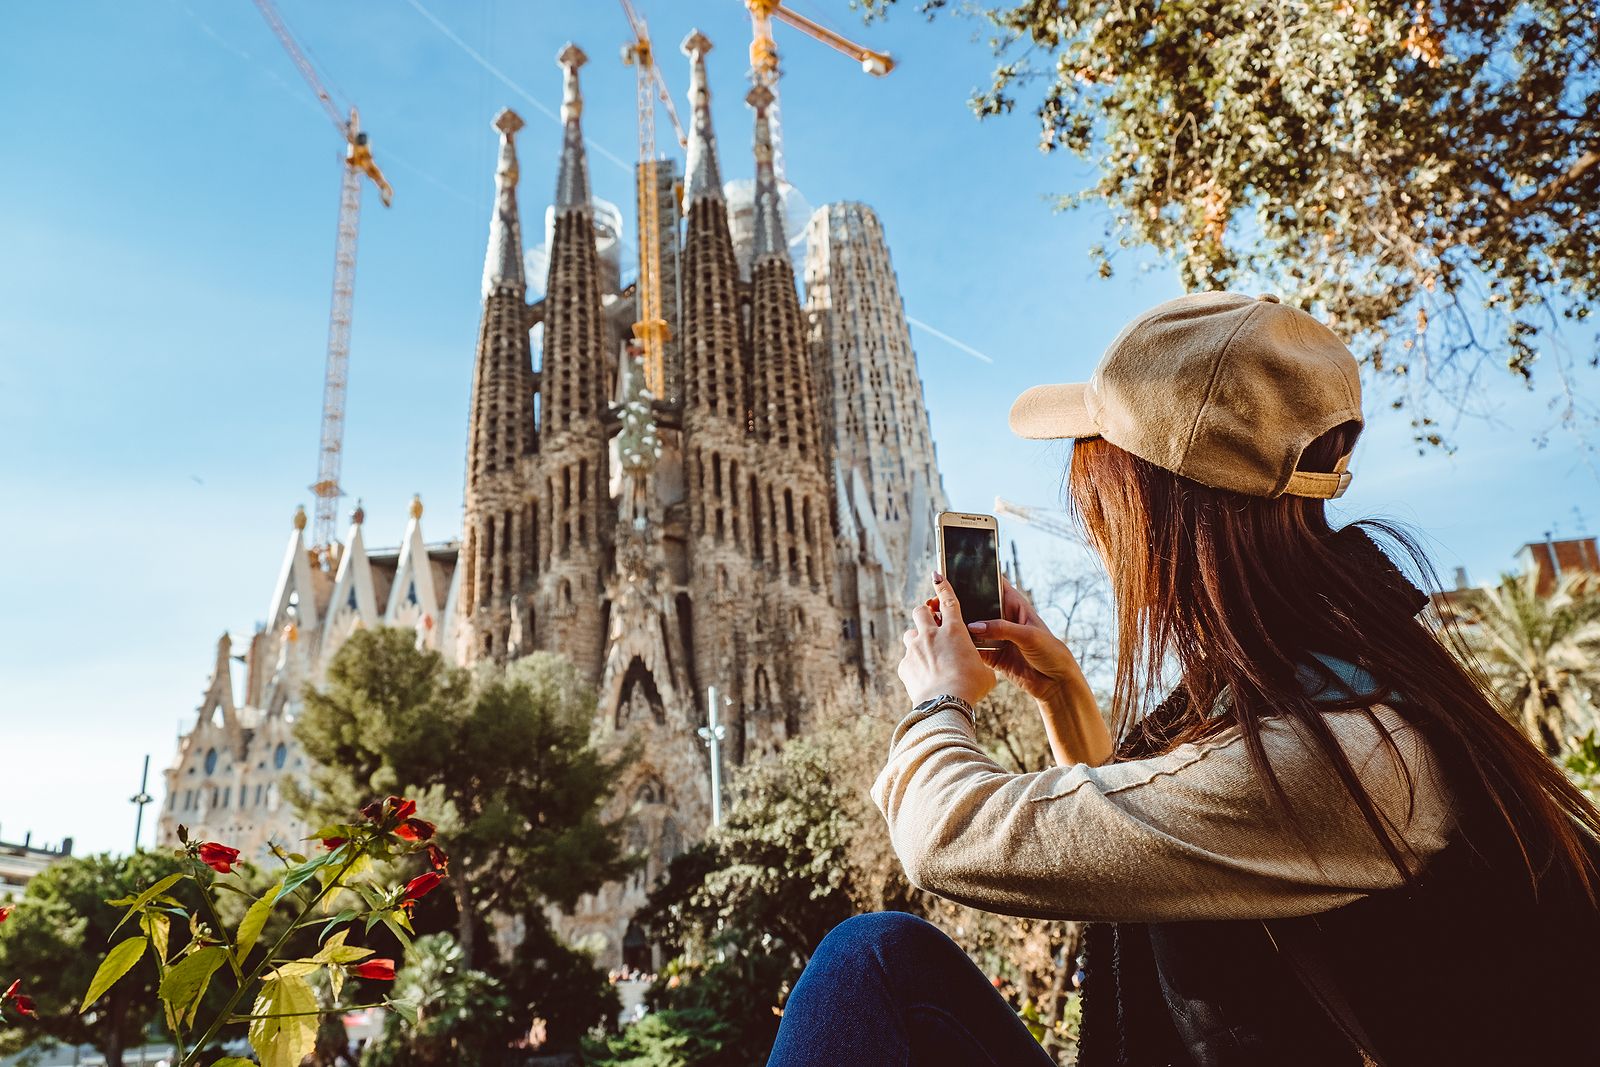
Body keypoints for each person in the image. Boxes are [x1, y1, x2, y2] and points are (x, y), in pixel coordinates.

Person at [766, 292, 1600, 1066]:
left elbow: (943, 836)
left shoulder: (1339, 756)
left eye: (1102, 500)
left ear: (1165, 516)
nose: (1097, 535)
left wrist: (938, 700)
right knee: (879, 960)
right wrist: (1061, 690)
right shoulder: (1349, 674)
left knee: (862, 961)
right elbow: (1141, 841)